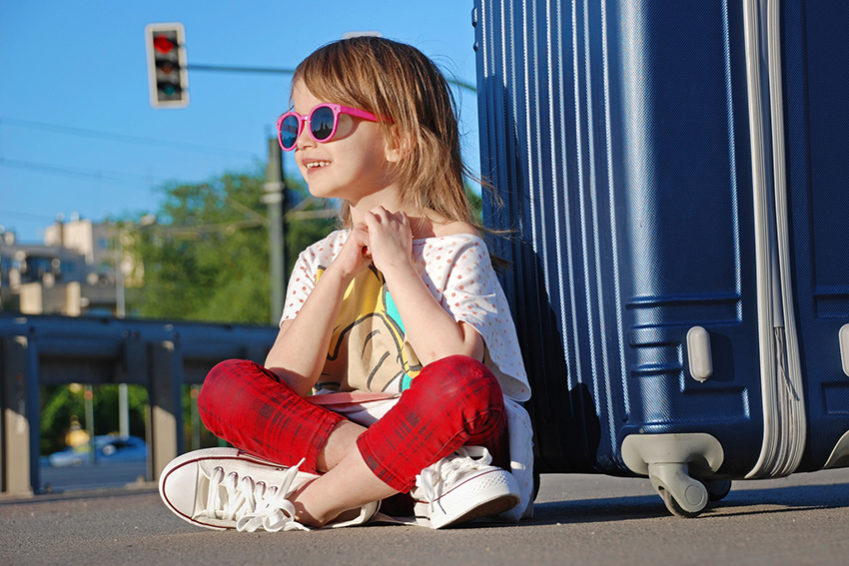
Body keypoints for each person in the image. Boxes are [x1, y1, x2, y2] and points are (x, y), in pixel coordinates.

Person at [158, 36, 533, 533]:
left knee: (462, 385)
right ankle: (387, 484)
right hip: (391, 454)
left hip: (456, 446)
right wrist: (338, 275)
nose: (302, 140)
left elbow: (455, 367)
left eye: (323, 122)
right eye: (292, 125)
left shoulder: (453, 247)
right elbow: (286, 379)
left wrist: (398, 266)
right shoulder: (319, 260)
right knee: (225, 385)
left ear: (398, 140)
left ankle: (307, 502)